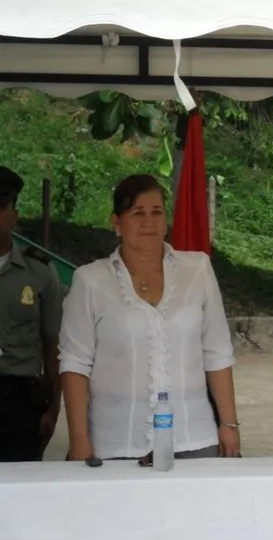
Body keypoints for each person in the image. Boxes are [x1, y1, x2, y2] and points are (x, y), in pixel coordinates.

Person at [59, 174, 240, 461]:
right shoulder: (90, 280)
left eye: (157, 212)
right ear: (116, 223)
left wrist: (229, 424)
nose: (149, 222)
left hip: (194, 437)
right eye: (137, 213)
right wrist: (79, 439)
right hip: (118, 441)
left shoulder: (198, 269)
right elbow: (75, 363)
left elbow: (217, 352)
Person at [0, 166, 63, 462]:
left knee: (19, 491)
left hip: (19, 402)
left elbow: (53, 343)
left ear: (14, 214)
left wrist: (53, 408)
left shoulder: (39, 272)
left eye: (2, 207)